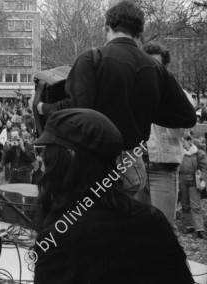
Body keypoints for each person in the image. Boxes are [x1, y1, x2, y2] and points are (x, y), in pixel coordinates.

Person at [36, 0, 196, 203]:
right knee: (126, 227)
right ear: (139, 33)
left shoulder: (92, 59)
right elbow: (187, 116)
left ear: (107, 26)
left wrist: (42, 107)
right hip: (132, 163)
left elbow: (77, 111)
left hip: (94, 163)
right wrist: (146, 109)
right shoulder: (155, 69)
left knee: (91, 225)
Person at [33, 108, 194, 284]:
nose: (41, 163)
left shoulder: (60, 240)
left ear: (68, 158)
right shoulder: (154, 219)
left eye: (45, 154)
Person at [143, 42, 188, 228]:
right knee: (137, 228)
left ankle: (174, 258)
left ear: (165, 68)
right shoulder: (135, 93)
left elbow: (181, 132)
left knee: (165, 228)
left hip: (163, 167)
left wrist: (164, 103)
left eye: (157, 66)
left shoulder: (178, 94)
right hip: (136, 165)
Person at [179, 135, 207, 239]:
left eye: (184, 141)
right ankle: (189, 225)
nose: (182, 144)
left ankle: (200, 229)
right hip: (181, 181)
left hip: (194, 182)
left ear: (189, 141)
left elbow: (205, 168)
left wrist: (202, 179)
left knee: (196, 205)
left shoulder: (199, 153)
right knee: (185, 204)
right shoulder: (178, 152)